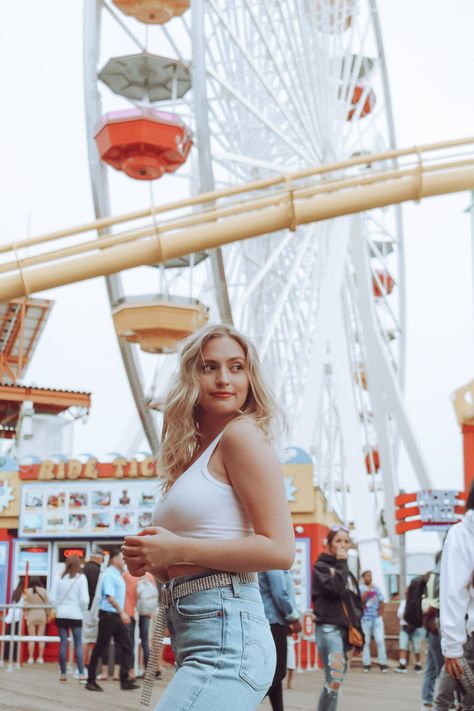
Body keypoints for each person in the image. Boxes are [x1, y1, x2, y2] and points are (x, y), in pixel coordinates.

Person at [122, 323, 294, 711]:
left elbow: (281, 550)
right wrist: (152, 559)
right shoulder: (191, 453)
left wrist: (174, 549)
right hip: (196, 631)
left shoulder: (241, 436)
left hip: (229, 638)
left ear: (250, 377)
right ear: (190, 376)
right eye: (209, 367)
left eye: (236, 367)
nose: (223, 379)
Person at [312, 525, 364, 711]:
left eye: (346, 541)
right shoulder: (321, 566)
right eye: (338, 541)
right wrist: (342, 563)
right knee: (334, 681)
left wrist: (360, 637)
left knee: (337, 682)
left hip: (346, 631)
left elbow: (355, 604)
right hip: (329, 628)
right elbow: (335, 590)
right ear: (329, 544)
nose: (343, 545)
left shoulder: (347, 571)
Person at [434, 481, 474, 711]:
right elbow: (453, 594)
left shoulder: (462, 534)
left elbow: (453, 594)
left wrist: (452, 647)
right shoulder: (462, 534)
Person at [85, 550, 137, 692]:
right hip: (109, 615)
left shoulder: (117, 575)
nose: (124, 560)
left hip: (116, 616)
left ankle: (124, 680)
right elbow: (109, 597)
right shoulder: (109, 575)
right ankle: (90, 681)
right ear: (114, 560)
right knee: (100, 647)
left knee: (127, 645)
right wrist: (123, 613)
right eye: (121, 558)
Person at [259, 569, 302, 711]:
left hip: (275, 622)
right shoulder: (274, 564)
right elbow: (280, 593)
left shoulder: (277, 564)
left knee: (275, 674)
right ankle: (244, 704)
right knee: (279, 672)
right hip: (273, 622)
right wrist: (294, 618)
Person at [49, 554, 89, 682]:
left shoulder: (58, 578)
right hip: (76, 614)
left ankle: (63, 673)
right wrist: (82, 610)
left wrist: (58, 607)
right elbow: (84, 599)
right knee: (77, 643)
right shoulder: (81, 578)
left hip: (61, 614)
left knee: (63, 643)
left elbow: (51, 597)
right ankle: (81, 672)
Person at [421, 554, 444, 710]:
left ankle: (426, 698)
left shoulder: (430, 576)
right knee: (443, 668)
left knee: (431, 666)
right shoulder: (441, 575)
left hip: (429, 625)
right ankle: (443, 701)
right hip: (438, 625)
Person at [81, 547, 105, 672]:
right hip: (91, 609)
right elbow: (97, 592)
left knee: (86, 638)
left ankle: (84, 665)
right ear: (98, 558)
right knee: (88, 639)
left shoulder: (83, 569)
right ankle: (85, 665)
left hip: (83, 609)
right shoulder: (95, 570)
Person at [359, 569, 388, 672]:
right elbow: (360, 602)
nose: (369, 577)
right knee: (366, 642)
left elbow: (382, 601)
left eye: (370, 575)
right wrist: (367, 592)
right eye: (367, 575)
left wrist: (380, 613)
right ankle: (366, 664)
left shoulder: (376, 588)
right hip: (365, 618)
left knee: (380, 640)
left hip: (376, 618)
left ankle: (383, 664)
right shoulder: (361, 588)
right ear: (363, 578)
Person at [393, 590, 425, 673]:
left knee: (416, 647)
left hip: (415, 628)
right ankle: (402, 664)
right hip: (405, 627)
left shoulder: (418, 603)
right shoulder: (404, 602)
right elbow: (399, 614)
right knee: (403, 646)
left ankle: (418, 664)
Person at [25, 576, 48, 664]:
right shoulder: (44, 591)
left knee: (32, 637)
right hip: (42, 614)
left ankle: (30, 658)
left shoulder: (27, 591)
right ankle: (40, 658)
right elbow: (47, 604)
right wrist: (48, 615)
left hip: (31, 613)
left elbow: (25, 605)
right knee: (41, 637)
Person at [3, 579, 24, 661]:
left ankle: (6, 655)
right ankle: (15, 656)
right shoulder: (24, 593)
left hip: (11, 615)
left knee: (9, 637)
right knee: (16, 638)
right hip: (19, 616)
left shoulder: (15, 591)